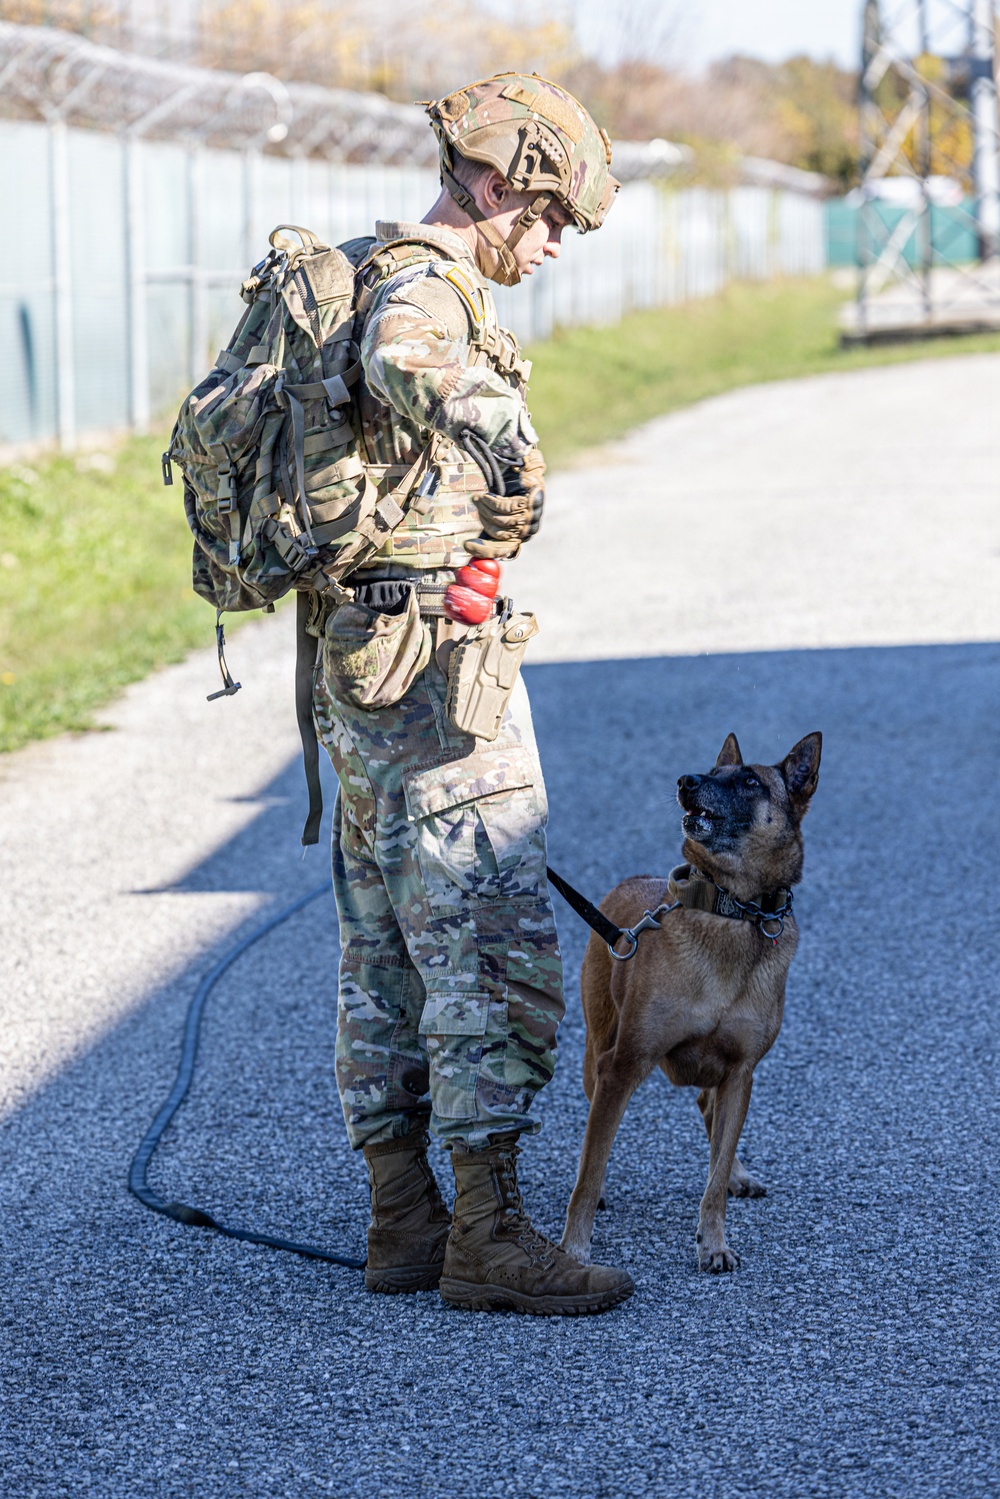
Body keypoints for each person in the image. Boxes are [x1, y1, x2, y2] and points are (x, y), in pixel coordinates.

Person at [313, 73, 634, 1315]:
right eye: (547, 216)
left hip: (364, 657)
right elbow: (411, 362)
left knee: (388, 946)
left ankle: (405, 1220)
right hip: (439, 682)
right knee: (487, 942)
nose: (551, 244)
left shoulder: (373, 266)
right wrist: (513, 444)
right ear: (495, 183)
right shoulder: (421, 286)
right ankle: (488, 1235)